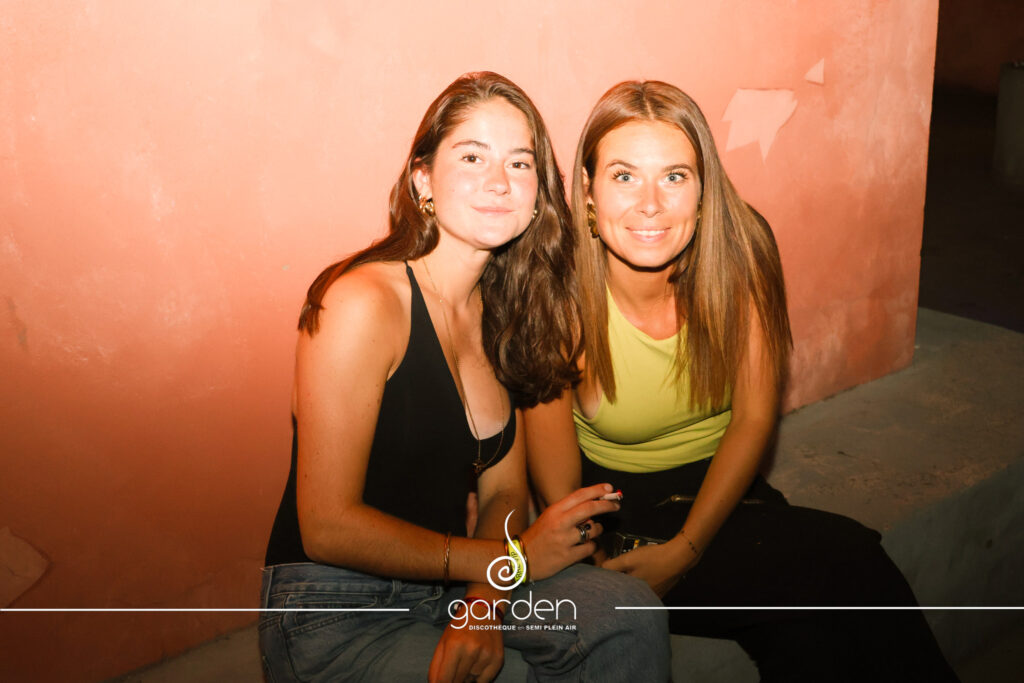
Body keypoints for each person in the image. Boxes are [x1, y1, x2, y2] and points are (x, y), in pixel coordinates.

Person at [523, 80, 959, 682]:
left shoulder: (741, 253)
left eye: (674, 176)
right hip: (621, 518)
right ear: (590, 194)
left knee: (811, 638)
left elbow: (754, 419)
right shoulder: (557, 298)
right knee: (850, 560)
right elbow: (561, 493)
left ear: (703, 192)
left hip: (730, 491)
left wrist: (688, 549)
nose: (650, 203)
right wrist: (606, 563)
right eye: (624, 176)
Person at [259, 72, 669, 683]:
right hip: (334, 603)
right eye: (473, 157)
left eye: (520, 163)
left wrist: (485, 597)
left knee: (629, 612)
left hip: (456, 578)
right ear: (423, 179)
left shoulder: (505, 309)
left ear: (539, 193)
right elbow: (326, 527)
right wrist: (512, 562)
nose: (499, 181)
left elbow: (504, 493)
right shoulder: (363, 303)